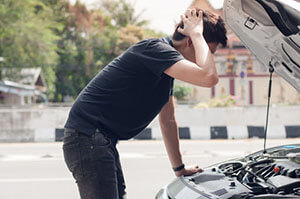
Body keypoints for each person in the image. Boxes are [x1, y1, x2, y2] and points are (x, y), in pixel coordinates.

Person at [63, 8, 227, 199]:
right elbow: (209, 78)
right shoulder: (154, 50)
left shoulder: (164, 69)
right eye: (208, 51)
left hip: (99, 140)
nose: (207, 58)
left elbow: (168, 120)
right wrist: (198, 33)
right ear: (191, 41)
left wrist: (179, 169)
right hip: (87, 137)